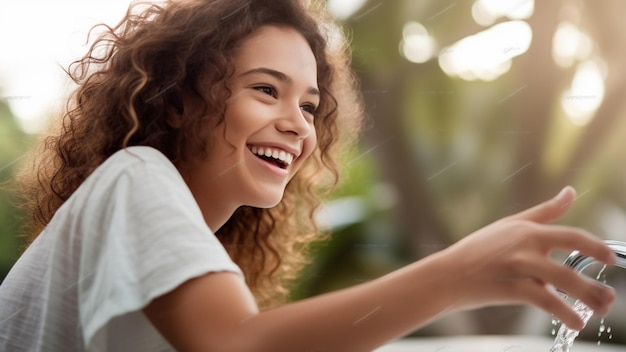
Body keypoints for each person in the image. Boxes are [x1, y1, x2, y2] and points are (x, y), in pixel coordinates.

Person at [0, 0, 617, 351]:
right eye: (266, 90)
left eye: (309, 105)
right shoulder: (137, 175)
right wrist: (454, 275)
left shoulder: (179, 257)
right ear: (177, 100)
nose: (298, 125)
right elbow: (238, 347)